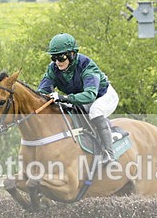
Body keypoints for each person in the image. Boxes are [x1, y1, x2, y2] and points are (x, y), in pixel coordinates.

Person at [37, 33, 120, 163]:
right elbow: (42, 91)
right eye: (54, 58)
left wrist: (64, 98)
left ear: (72, 54)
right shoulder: (53, 69)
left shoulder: (86, 66)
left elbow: (90, 95)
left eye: (61, 57)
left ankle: (109, 153)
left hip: (102, 96)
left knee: (95, 112)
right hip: (79, 98)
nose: (58, 62)